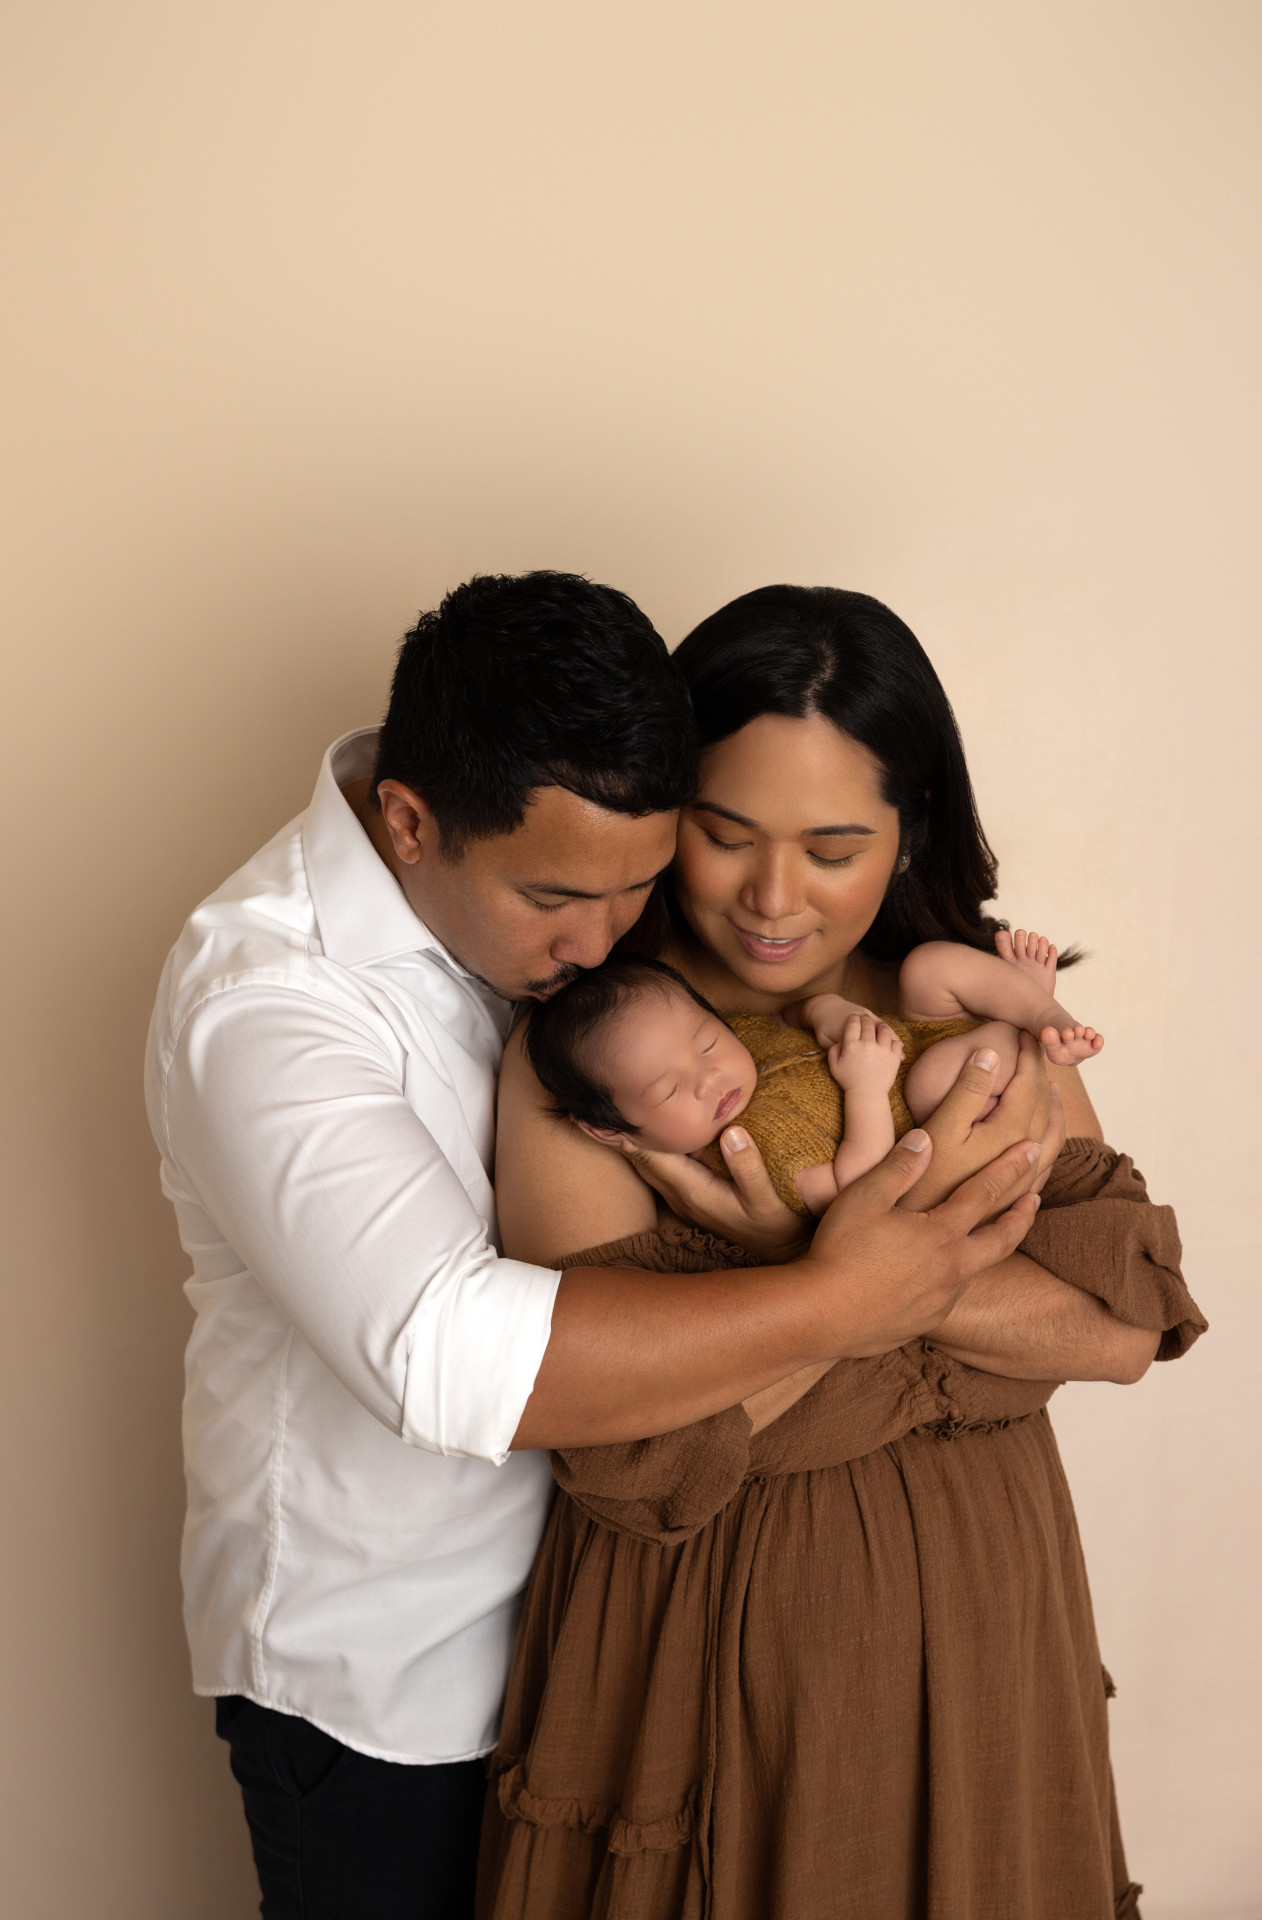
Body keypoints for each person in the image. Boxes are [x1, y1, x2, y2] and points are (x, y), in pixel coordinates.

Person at [145, 571, 1056, 1919]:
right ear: (409, 822)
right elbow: (448, 1359)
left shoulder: (563, 904)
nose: (605, 942)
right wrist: (840, 1294)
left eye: (639, 886)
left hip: (611, 1649)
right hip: (395, 1692)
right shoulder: (267, 1003)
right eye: (560, 898)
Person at [481, 585, 1206, 1920]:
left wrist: (788, 1272)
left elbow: (1121, 1329)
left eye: (831, 846)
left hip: (990, 1605)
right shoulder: (598, 1052)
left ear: (908, 831)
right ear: (664, 813)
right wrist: (909, 1290)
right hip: (700, 1628)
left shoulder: (976, 1001)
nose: (771, 897)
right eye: (724, 832)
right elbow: (630, 1449)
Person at [523, 926, 1101, 1214]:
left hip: (915, 1031)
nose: (710, 1078)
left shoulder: (738, 1044)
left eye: (705, 1041)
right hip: (933, 1098)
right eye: (670, 1089)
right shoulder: (747, 1153)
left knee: (928, 967)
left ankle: (1041, 1012)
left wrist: (827, 1009)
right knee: (931, 1081)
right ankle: (1024, 1027)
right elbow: (857, 1186)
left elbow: (787, 1013)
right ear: (613, 1129)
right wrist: (867, 1090)